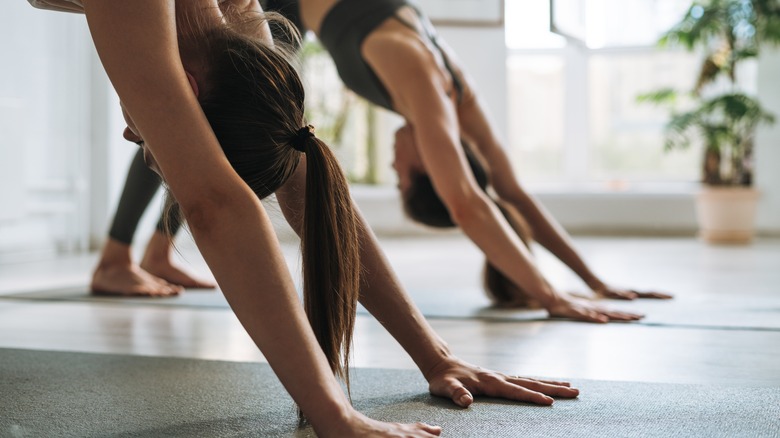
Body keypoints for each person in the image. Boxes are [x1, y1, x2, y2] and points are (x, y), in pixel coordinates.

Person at [26, 0, 579, 435]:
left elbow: (303, 172)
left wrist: (436, 357)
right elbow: (214, 203)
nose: (132, 131)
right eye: (145, 140)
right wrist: (333, 416)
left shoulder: (237, 11)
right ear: (190, 89)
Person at [263, 0, 672, 323]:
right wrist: (553, 295)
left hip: (293, 11)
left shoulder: (458, 94)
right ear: (429, 172)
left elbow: (510, 196)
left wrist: (595, 283)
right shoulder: (425, 84)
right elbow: (468, 202)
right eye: (400, 178)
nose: (392, 167)